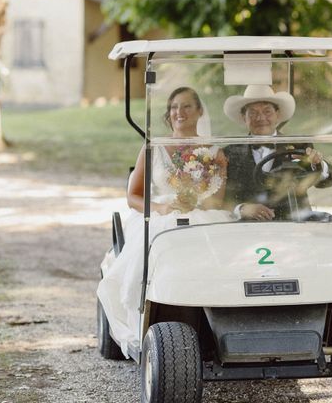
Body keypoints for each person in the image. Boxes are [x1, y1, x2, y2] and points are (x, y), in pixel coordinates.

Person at [96, 87, 232, 355]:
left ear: (200, 111)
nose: (178, 113)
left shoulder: (215, 152)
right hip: (161, 214)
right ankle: (151, 313)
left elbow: (217, 201)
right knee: (164, 235)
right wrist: (161, 206)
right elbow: (133, 196)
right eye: (173, 107)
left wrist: (196, 201)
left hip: (202, 212)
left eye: (186, 107)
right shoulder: (153, 147)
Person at [223, 85, 332, 221]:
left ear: (278, 115)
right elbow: (224, 198)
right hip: (249, 229)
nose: (260, 118)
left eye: (267, 111)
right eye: (253, 113)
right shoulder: (230, 152)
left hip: (295, 224)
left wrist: (319, 164)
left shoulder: (298, 146)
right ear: (244, 117)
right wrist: (242, 209)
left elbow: (328, 180)